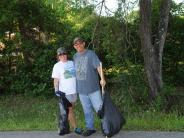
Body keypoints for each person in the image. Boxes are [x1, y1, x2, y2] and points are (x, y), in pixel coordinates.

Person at [73, 37, 106, 136]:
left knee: (100, 109)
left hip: (93, 89)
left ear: (84, 44)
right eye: (76, 44)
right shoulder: (75, 56)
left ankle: (106, 126)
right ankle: (90, 128)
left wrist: (102, 79)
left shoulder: (91, 54)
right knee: (87, 110)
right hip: (81, 90)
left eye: (80, 43)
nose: (78, 46)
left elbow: (98, 66)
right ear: (74, 46)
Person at [51, 47, 82, 136]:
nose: (63, 56)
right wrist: (56, 90)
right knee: (70, 110)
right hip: (65, 93)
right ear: (58, 56)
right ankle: (75, 128)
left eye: (64, 54)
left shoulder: (72, 63)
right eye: (60, 54)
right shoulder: (57, 66)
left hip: (74, 91)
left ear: (66, 54)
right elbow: (56, 79)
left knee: (70, 110)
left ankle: (65, 126)